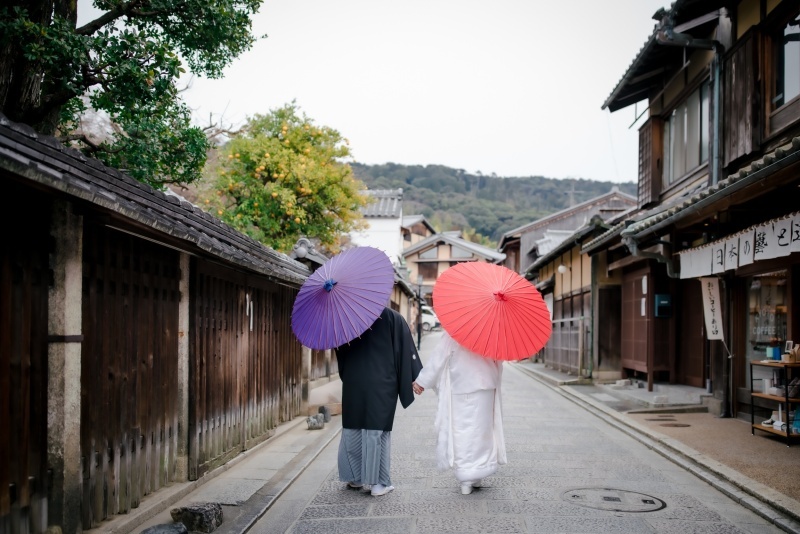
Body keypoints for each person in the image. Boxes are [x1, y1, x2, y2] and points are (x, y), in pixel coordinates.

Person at [334, 306, 422, 496]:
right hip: (382, 382)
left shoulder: (346, 316)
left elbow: (339, 350)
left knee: (353, 426)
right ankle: (379, 483)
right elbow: (405, 349)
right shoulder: (393, 317)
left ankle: (355, 477)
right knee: (377, 429)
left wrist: (349, 374)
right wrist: (415, 377)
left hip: (354, 380)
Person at [412, 331, 506, 495]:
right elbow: (499, 358)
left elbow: (438, 358)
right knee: (483, 431)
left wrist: (422, 381)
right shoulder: (492, 330)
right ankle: (478, 472)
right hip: (486, 387)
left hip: (462, 386)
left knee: (463, 431)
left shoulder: (455, 331)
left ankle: (466, 479)